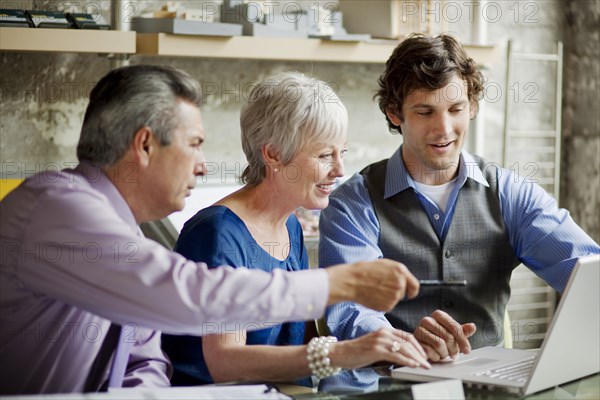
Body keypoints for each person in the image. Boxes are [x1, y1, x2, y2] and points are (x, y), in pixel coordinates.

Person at [0, 65, 422, 395]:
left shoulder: (125, 232)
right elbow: (194, 295)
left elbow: (145, 363)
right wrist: (338, 285)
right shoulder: (58, 207)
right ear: (145, 146)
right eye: (195, 144)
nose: (204, 166)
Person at [318, 34, 600, 362]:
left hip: (487, 387)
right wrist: (400, 344)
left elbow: (586, 275)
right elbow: (350, 309)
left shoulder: (510, 194)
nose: (445, 129)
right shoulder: (351, 203)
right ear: (395, 113)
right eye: (425, 112)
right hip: (384, 385)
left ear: (474, 107)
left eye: (456, 109)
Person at [161, 72, 431, 387]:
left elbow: (296, 341)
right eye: (324, 155)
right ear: (273, 154)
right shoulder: (218, 233)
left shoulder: (290, 225)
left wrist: (388, 347)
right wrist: (343, 353)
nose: (339, 170)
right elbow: (225, 362)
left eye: (341, 153)